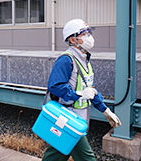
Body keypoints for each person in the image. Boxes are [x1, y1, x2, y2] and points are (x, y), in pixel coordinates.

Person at [42, 19, 121, 161]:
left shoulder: (84, 60)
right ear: (73, 39)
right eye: (84, 33)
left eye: (89, 33)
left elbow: (89, 90)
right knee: (87, 158)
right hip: (68, 119)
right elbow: (55, 86)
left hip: (78, 118)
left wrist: (105, 110)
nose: (89, 37)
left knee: (58, 153)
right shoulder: (66, 60)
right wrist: (78, 94)